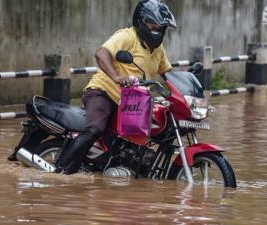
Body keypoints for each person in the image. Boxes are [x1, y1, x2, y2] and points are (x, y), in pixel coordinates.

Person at [55, 0, 177, 174]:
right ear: (141, 21)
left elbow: (168, 74)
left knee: (150, 135)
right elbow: (101, 53)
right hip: (103, 93)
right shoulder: (127, 36)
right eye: (153, 24)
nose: (157, 29)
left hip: (132, 103)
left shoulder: (158, 49)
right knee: (95, 129)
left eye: (161, 26)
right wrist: (117, 77)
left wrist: (184, 92)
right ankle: (62, 170)